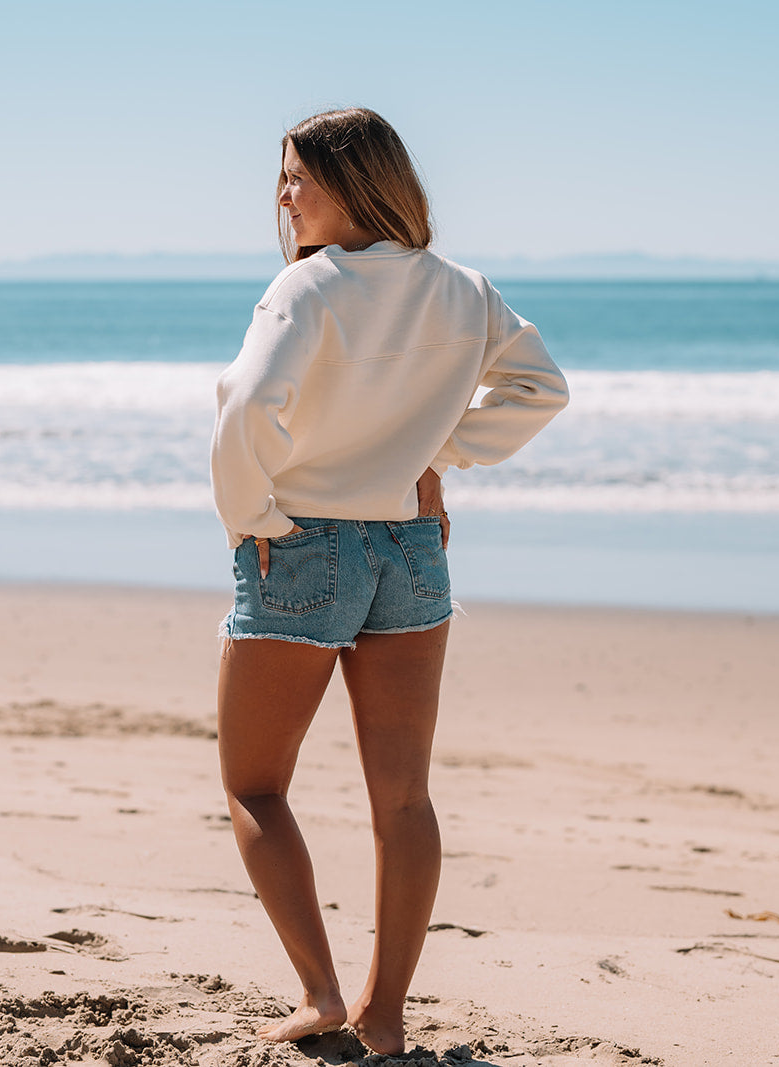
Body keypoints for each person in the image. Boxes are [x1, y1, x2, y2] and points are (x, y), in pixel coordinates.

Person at [210, 106, 569, 1056]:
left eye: (300, 177)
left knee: (255, 786)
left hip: (303, 543)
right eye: (281, 179)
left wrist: (253, 520)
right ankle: (385, 1013)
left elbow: (248, 406)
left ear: (357, 180)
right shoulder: (464, 290)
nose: (284, 196)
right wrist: (435, 452)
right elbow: (541, 389)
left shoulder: (307, 289)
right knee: (404, 797)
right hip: (412, 543)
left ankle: (325, 996)